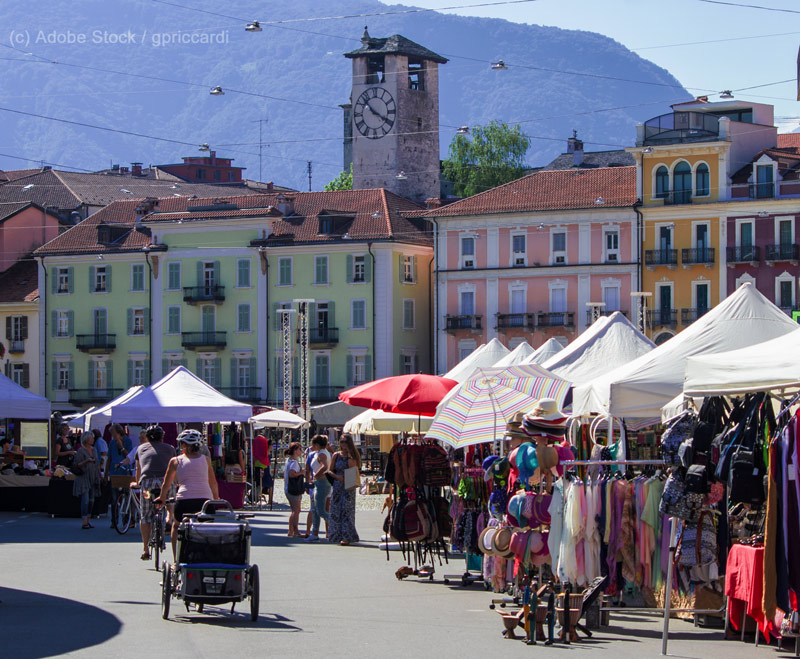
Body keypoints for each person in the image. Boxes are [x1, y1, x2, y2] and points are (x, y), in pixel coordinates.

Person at [155, 429, 219, 559]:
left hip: (185, 501)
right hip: (205, 502)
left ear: (184, 445)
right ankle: (207, 557)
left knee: (176, 526)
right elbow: (213, 483)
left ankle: (176, 560)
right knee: (207, 529)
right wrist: (216, 498)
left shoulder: (175, 461)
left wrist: (161, 498)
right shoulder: (206, 460)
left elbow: (166, 485)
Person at [133, 425, 176, 561]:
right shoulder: (170, 448)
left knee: (145, 515)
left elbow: (138, 469)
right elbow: (173, 469)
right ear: (162, 437)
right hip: (165, 481)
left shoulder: (141, 449)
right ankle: (169, 516)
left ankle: (145, 549)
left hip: (147, 484)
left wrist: (137, 482)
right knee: (170, 499)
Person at [327, 434, 361, 546]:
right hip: (338, 484)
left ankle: (347, 536)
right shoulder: (336, 455)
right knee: (336, 510)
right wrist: (337, 477)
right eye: (342, 442)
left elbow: (355, 468)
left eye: (346, 442)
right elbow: (330, 471)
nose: (343, 444)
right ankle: (335, 534)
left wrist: (350, 456)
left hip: (349, 483)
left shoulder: (353, 455)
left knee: (347, 510)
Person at [304, 435, 331, 543]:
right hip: (318, 483)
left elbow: (324, 466)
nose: (312, 446)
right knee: (315, 509)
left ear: (317, 444)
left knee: (320, 510)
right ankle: (314, 533)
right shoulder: (319, 453)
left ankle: (335, 526)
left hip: (322, 482)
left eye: (313, 444)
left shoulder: (322, 454)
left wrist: (316, 474)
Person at [73, 431, 101, 530]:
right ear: (86, 439)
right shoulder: (81, 451)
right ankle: (84, 521)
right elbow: (76, 464)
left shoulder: (94, 450)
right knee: (85, 500)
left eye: (93, 438)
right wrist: (87, 461)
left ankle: (88, 520)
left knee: (91, 500)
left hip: (93, 477)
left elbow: (97, 464)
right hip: (83, 477)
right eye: (91, 438)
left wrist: (99, 475)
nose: (93, 440)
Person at [106, 423, 133, 529]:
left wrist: (121, 447)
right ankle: (114, 521)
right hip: (114, 473)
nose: (112, 435)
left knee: (126, 497)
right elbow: (109, 458)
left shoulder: (128, 441)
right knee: (114, 499)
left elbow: (129, 456)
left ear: (118, 432)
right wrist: (106, 473)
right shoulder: (111, 443)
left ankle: (126, 521)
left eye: (113, 433)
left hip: (125, 472)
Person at [283, 442, 304, 537]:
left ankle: (291, 530)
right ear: (295, 450)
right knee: (296, 510)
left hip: (288, 488)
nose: (301, 451)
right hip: (294, 489)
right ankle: (295, 530)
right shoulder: (294, 462)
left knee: (294, 510)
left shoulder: (289, 460)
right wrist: (301, 472)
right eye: (300, 449)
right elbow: (292, 474)